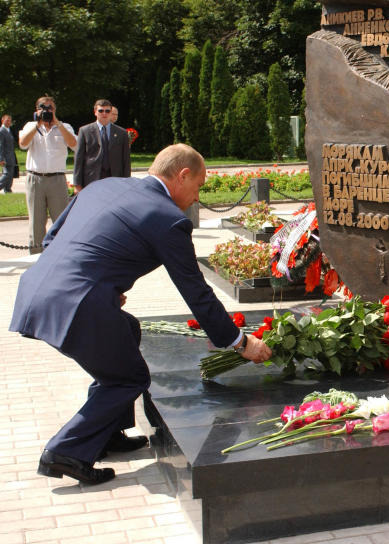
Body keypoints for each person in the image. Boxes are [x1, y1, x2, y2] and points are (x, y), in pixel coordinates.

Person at [9, 143, 272, 485]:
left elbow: (53, 238)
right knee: (128, 378)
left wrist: (103, 286)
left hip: (38, 288)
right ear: (182, 175)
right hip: (74, 302)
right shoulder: (168, 219)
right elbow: (195, 290)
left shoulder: (104, 186)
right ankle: (66, 451)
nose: (196, 197)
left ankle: (107, 434)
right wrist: (239, 341)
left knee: (127, 330)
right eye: (198, 186)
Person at [18, 96, 77, 254]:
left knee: (60, 220)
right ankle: (36, 257)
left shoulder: (65, 127)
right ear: (36, 110)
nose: (47, 111)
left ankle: (60, 254)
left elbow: (74, 144)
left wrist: (57, 123)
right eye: (43, 108)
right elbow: (22, 144)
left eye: (50, 108)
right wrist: (37, 124)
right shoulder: (30, 126)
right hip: (35, 178)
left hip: (57, 179)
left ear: (55, 110)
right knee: (36, 222)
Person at [73, 99, 130, 192]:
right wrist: (77, 184)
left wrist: (127, 181)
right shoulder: (85, 131)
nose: (104, 113)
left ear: (111, 113)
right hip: (91, 178)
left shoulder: (122, 133)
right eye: (101, 111)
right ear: (95, 112)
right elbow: (79, 158)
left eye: (107, 111)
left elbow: (126, 160)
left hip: (114, 178)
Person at [0, 114, 16, 193]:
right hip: (5, 157)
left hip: (11, 157)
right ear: (2, 120)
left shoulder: (8, 130)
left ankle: (8, 190)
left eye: (10, 120)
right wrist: (1, 158)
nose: (9, 122)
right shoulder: (1, 131)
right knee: (6, 174)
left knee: (10, 175)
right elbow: (1, 146)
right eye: (7, 120)